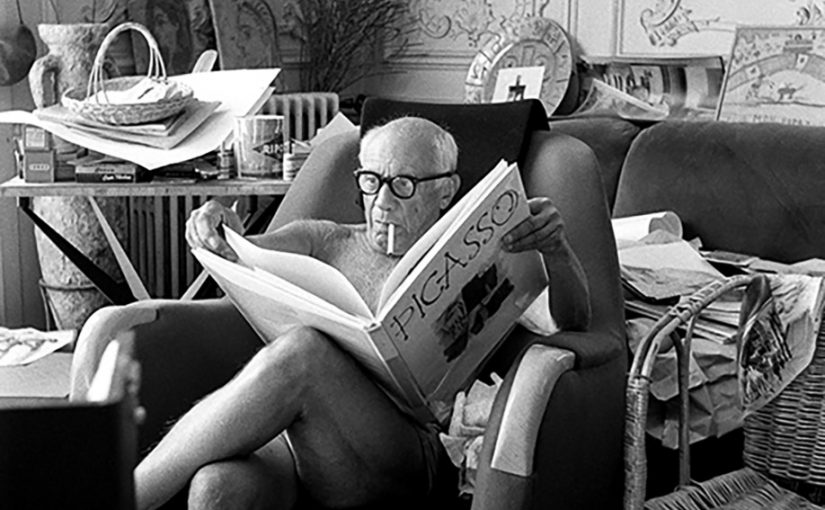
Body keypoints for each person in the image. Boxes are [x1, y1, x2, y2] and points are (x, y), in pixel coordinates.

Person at [135, 117, 590, 510]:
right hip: (296, 439)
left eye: (403, 185)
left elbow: (573, 322)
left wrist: (559, 251)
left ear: (446, 191)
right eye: (371, 181)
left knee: (303, 353)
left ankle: (126, 496)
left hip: (406, 450)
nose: (382, 203)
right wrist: (215, 224)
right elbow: (238, 252)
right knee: (217, 488)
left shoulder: (482, 248)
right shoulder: (325, 240)